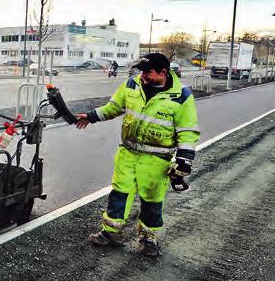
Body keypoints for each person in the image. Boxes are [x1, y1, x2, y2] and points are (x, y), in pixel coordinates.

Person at [74, 52, 200, 257]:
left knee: (152, 200)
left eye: (148, 72)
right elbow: (113, 107)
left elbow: (187, 130)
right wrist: (90, 117)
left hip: (156, 160)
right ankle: (110, 232)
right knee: (119, 194)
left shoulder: (181, 96)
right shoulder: (132, 85)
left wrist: (184, 161)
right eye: (142, 71)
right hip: (128, 154)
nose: (142, 76)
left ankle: (148, 238)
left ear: (163, 73)